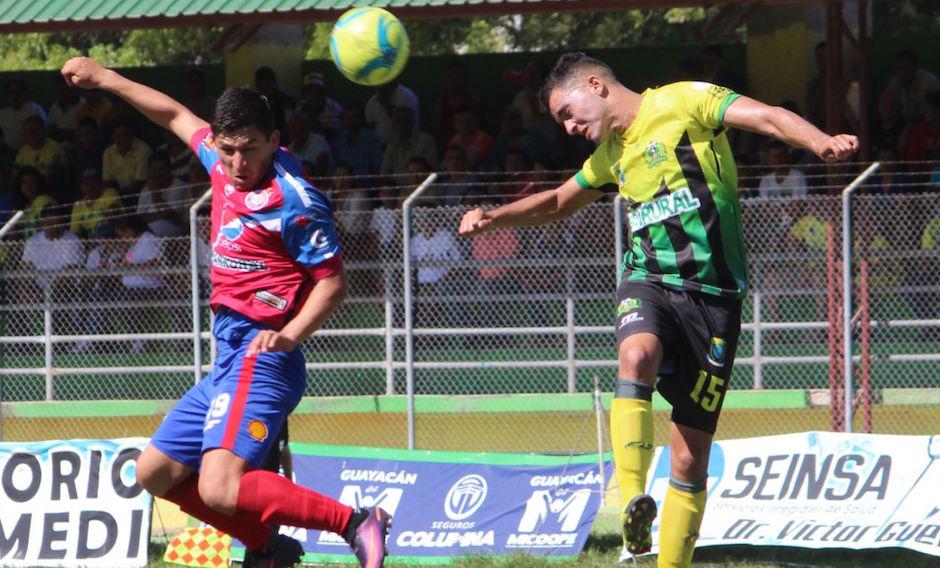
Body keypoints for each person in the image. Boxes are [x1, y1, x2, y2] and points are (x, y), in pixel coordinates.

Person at [457, 52, 858, 567]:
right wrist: (494, 218)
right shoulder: (611, 156)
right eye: (562, 122)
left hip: (715, 298)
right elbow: (559, 201)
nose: (571, 127)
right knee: (636, 355)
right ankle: (631, 502)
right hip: (649, 279)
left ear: (596, 86)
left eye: (569, 113)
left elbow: (766, 116)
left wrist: (819, 141)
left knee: (690, 458)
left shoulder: (684, 101)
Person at [61, 56, 390, 568]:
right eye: (229, 149)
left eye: (251, 150)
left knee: (219, 486)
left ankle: (354, 522)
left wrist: (289, 335)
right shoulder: (218, 158)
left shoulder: (296, 200)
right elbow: (171, 114)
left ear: (274, 140)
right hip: (229, 357)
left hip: (265, 352)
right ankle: (267, 547)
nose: (238, 163)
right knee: (154, 472)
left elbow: (333, 285)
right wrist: (104, 77)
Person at [880, 49, 940, 123]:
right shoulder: (895, 81)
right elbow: (885, 103)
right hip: (906, 121)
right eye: (900, 68)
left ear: (917, 67)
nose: (905, 72)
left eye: (909, 67)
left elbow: (932, 113)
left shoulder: (929, 82)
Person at [379, 106, 437, 177]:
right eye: (398, 121)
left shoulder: (426, 141)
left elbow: (431, 170)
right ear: (393, 124)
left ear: (413, 122)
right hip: (397, 186)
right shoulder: (392, 144)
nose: (403, 125)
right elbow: (385, 172)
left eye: (407, 120)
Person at [102, 121, 151, 197]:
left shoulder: (143, 149)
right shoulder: (108, 153)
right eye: (118, 136)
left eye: (126, 135)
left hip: (143, 194)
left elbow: (141, 182)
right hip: (121, 195)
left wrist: (119, 195)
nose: (123, 139)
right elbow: (107, 182)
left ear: (133, 135)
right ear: (112, 137)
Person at [0, 78, 47, 150]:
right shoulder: (2, 113)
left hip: (28, 152)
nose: (14, 96)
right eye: (11, 93)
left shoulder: (34, 109)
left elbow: (42, 134)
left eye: (18, 92)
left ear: (25, 93)